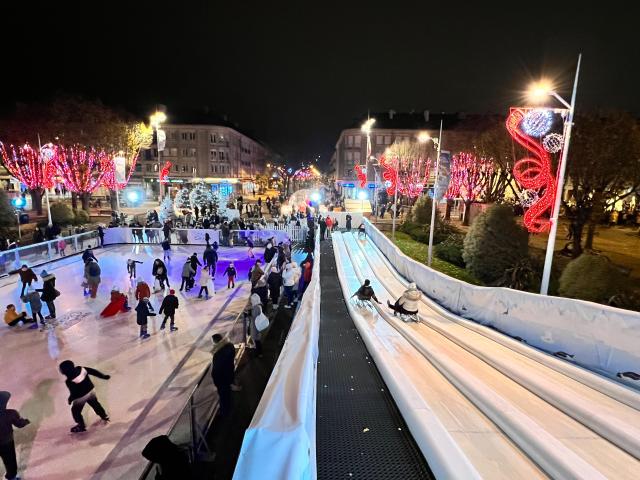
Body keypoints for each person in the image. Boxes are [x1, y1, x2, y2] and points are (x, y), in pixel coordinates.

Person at [59, 360, 110, 433]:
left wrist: (70, 399)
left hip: (81, 397)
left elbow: (74, 393)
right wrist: (103, 376)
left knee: (75, 411)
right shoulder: (82, 369)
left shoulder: (69, 381)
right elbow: (93, 372)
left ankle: (81, 426)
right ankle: (104, 415)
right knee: (95, 404)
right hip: (90, 391)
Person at [0, 391, 30, 480]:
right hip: (7, 442)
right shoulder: (10, 413)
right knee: (10, 460)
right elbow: (19, 424)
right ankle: (11, 476)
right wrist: (26, 421)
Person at [210, 334, 239, 416]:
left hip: (222, 380)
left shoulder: (218, 354)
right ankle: (227, 407)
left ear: (216, 342)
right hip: (229, 375)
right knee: (227, 393)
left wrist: (216, 382)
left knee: (223, 396)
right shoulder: (230, 346)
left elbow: (216, 371)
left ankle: (225, 412)